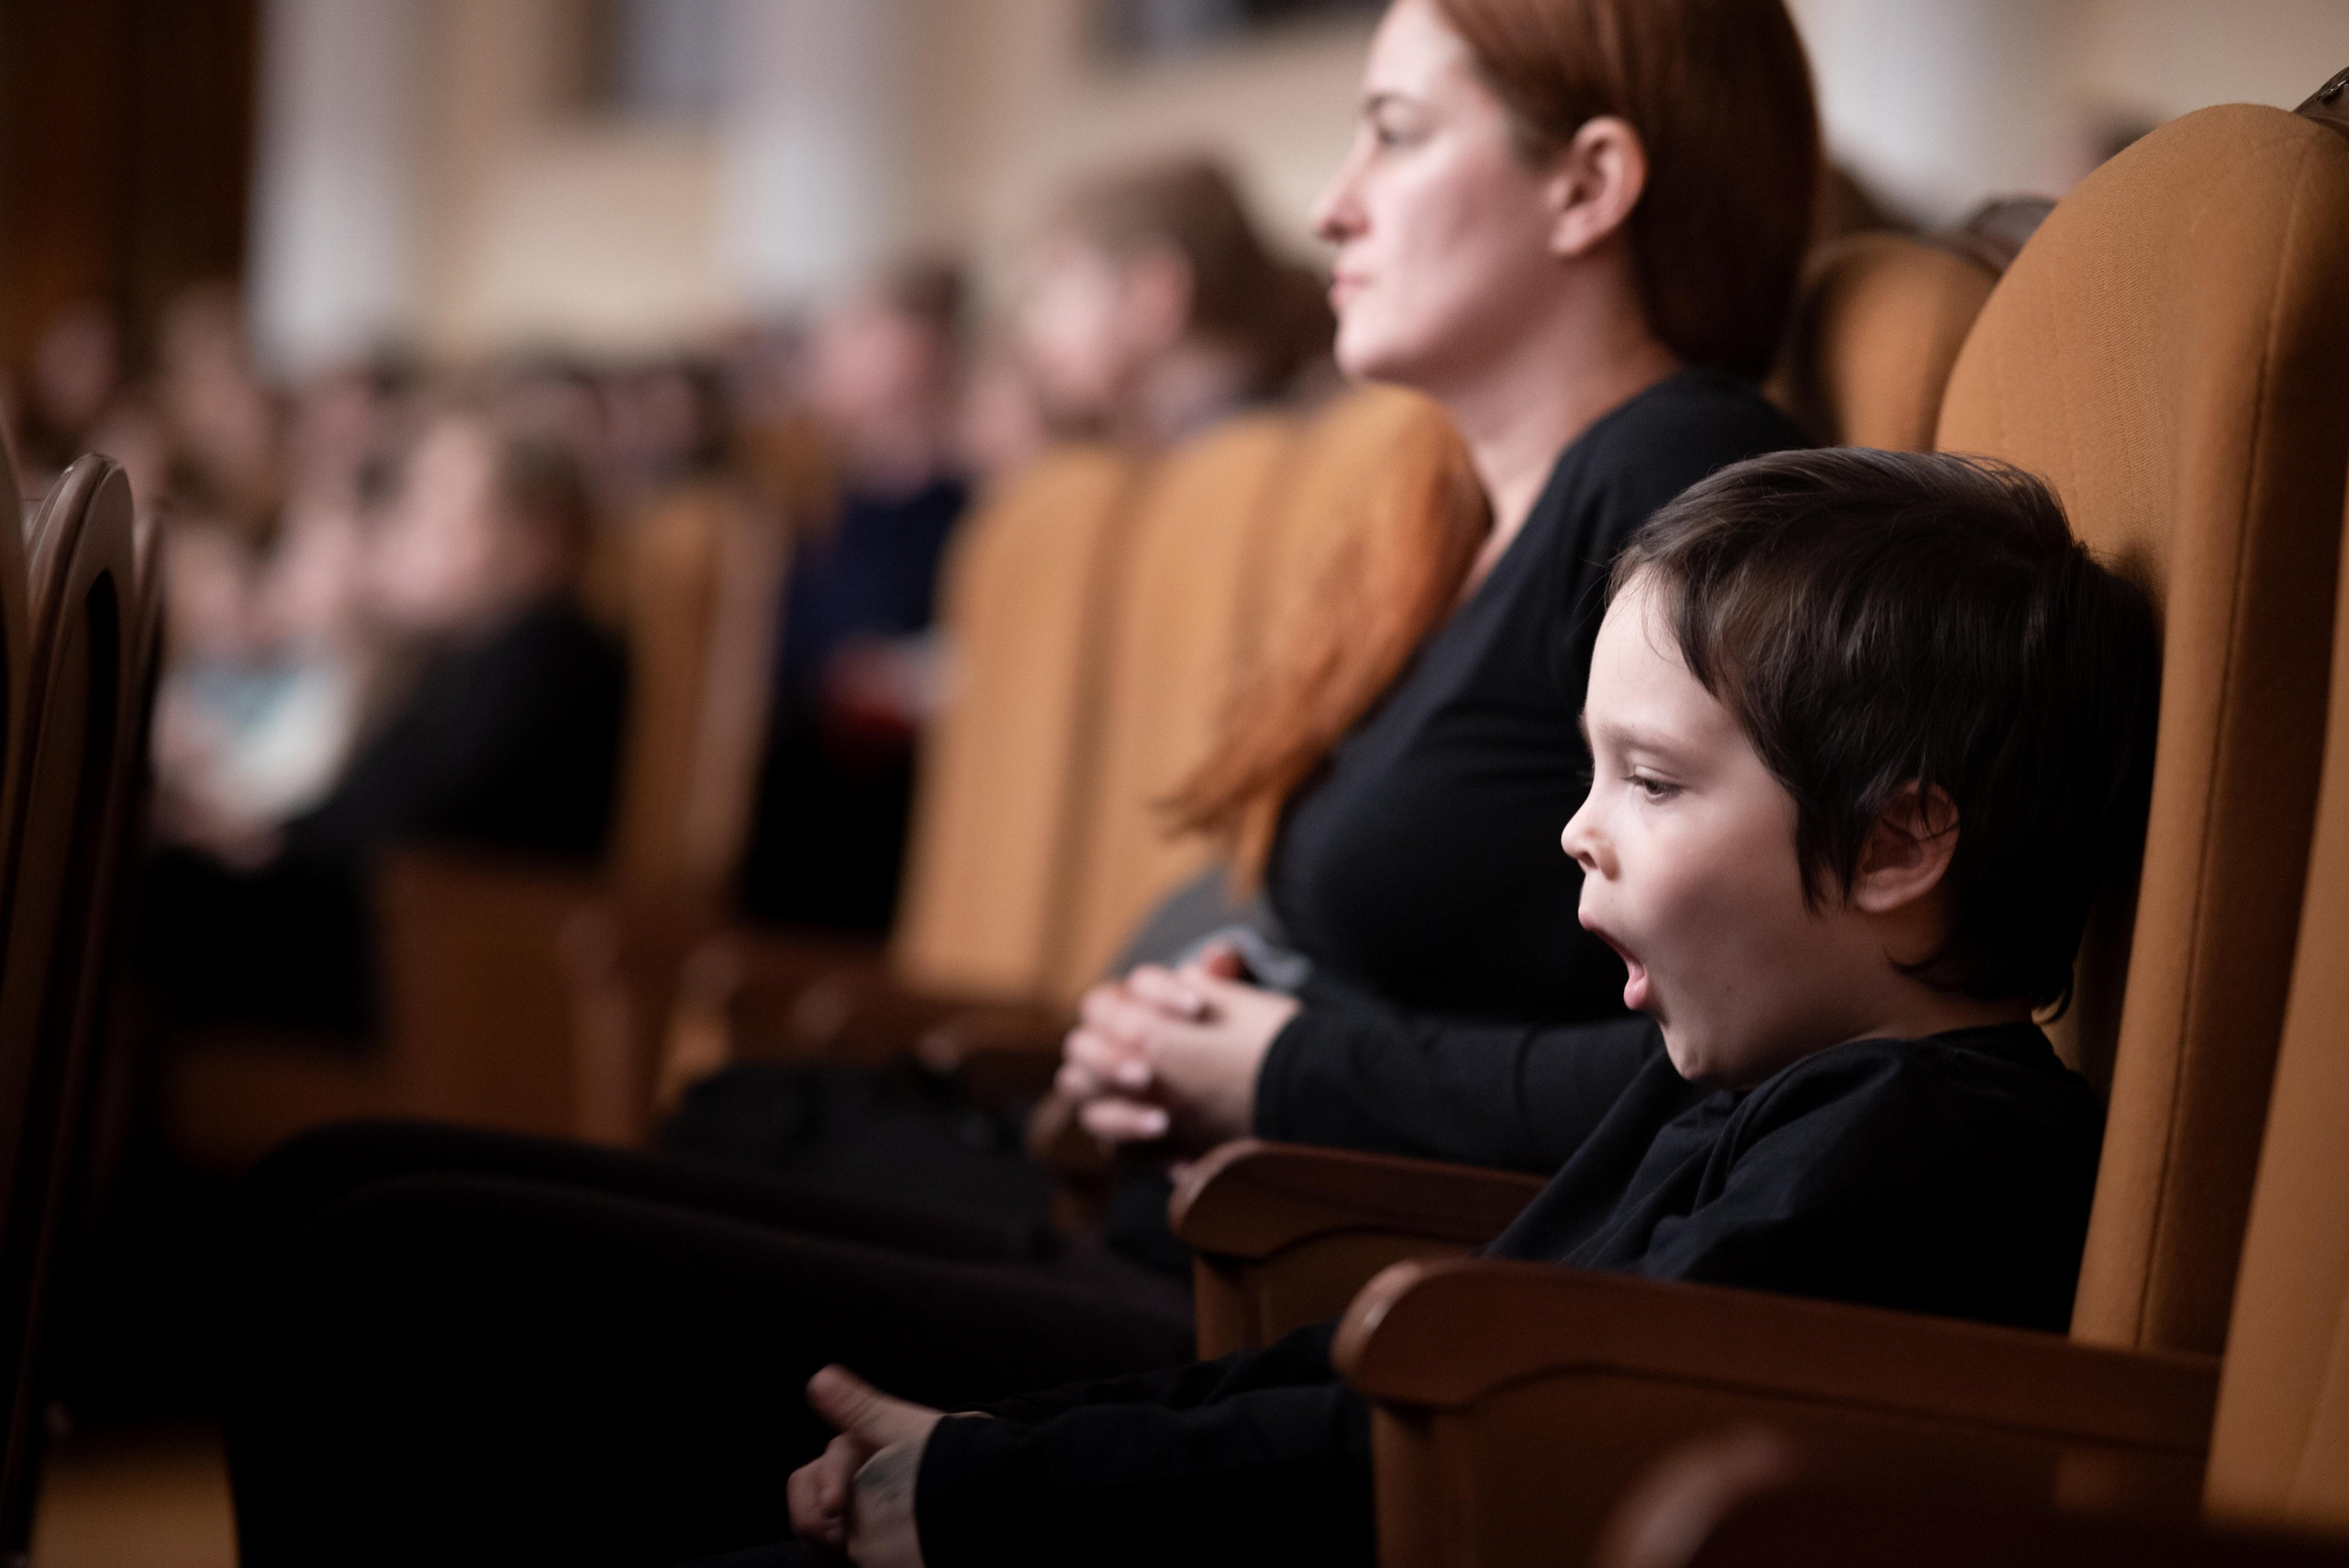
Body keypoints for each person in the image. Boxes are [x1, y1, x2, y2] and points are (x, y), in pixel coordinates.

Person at [774, 449, 2159, 1568]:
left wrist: (991, 1493)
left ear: (1896, 846)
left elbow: (1503, 1424)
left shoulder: (1934, 1153)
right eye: (1589, 771)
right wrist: (986, 1448)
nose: (1577, 830)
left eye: (1654, 781)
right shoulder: (1738, 1083)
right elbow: (1411, 1350)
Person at [138, 407, 627, 1036]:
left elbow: (419, 828)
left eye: (442, 506)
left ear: (538, 534)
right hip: (374, 930)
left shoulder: (550, 655)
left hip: (432, 973)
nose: (414, 529)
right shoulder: (480, 653)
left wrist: (264, 847)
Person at [739, 262, 972, 931]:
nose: (834, 354)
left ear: (921, 346)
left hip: (896, 794)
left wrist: (899, 676)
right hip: (811, 772)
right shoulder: (817, 506)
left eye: (860, 330)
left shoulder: (966, 511)